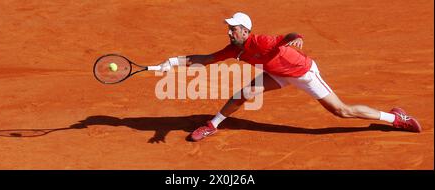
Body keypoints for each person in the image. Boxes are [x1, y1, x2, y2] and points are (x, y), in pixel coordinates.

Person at [156, 12, 422, 142]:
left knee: (341, 111)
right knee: (245, 93)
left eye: (233, 29)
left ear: (245, 31)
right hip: (276, 73)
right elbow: (204, 59)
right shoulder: (233, 48)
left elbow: (287, 36)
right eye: (228, 29)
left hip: (303, 73)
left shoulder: (261, 41)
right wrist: (171, 63)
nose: (229, 33)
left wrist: (297, 38)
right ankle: (213, 125)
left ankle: (396, 117)